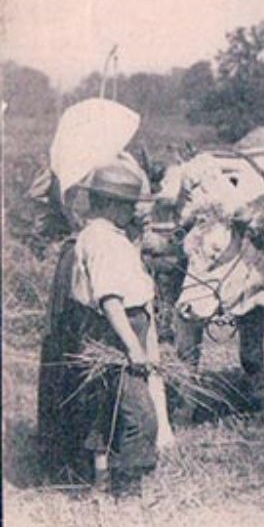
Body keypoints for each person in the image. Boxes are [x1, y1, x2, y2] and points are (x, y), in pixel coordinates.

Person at [36, 160, 164, 494]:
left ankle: (101, 481)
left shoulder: (99, 235)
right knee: (140, 414)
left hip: (106, 329)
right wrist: (133, 347)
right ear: (108, 204)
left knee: (106, 407)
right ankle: (127, 490)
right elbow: (110, 298)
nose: (132, 211)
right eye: (127, 205)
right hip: (118, 330)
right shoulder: (105, 243)